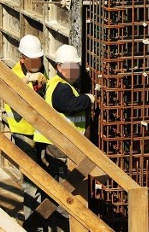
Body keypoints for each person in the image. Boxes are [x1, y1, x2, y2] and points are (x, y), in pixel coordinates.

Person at [32, 44, 94, 222]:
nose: (75, 71)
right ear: (59, 67)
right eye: (70, 67)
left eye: (76, 67)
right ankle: (64, 222)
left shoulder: (57, 84)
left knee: (63, 186)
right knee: (65, 187)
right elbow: (69, 105)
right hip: (60, 146)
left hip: (58, 144)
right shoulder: (62, 88)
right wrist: (86, 99)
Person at [5, 35, 47, 230]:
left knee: (45, 178)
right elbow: (16, 99)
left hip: (41, 134)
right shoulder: (15, 75)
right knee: (31, 182)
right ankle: (34, 226)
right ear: (22, 58)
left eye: (39, 59)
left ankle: (45, 220)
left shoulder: (39, 70)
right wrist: (27, 82)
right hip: (23, 135)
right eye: (33, 60)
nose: (37, 63)